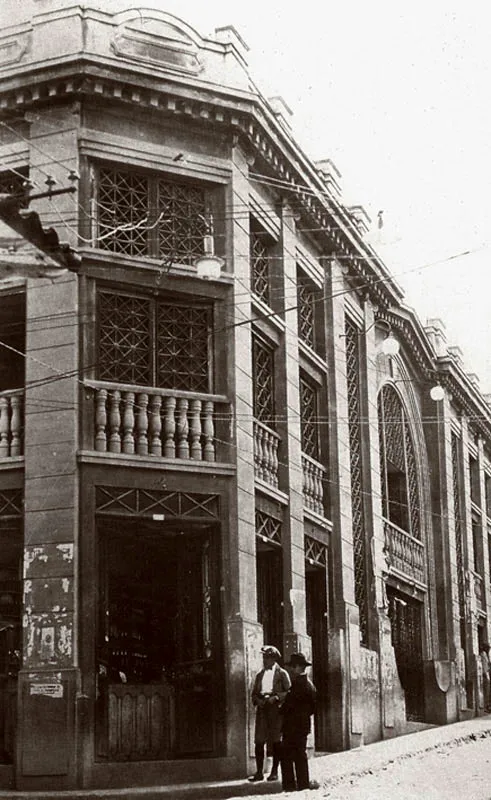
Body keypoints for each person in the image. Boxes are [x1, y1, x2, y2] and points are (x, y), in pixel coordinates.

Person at [249, 644, 291, 782]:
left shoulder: (282, 673)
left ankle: (274, 771)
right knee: (259, 741)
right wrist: (258, 701)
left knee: (275, 741)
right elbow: (254, 694)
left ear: (273, 658)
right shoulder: (260, 675)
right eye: (263, 657)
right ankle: (259, 772)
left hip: (276, 710)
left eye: (267, 657)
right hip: (262, 709)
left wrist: (277, 697)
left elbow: (289, 692)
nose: (264, 660)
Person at [280, 652, 317, 792]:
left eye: (292, 667)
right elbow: (313, 708)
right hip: (302, 726)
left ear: (297, 667)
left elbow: (288, 706)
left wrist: (281, 709)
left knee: (287, 755)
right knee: (300, 755)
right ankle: (303, 784)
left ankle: (289, 786)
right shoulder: (309, 685)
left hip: (292, 726)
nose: (290, 669)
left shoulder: (297, 685)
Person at [480, 642, 490, 712]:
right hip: (485, 674)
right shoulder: (483, 654)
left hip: (486, 673)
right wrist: (487, 675)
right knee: (487, 691)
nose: (489, 649)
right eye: (488, 648)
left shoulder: (486, 654)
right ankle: (487, 706)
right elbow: (484, 666)